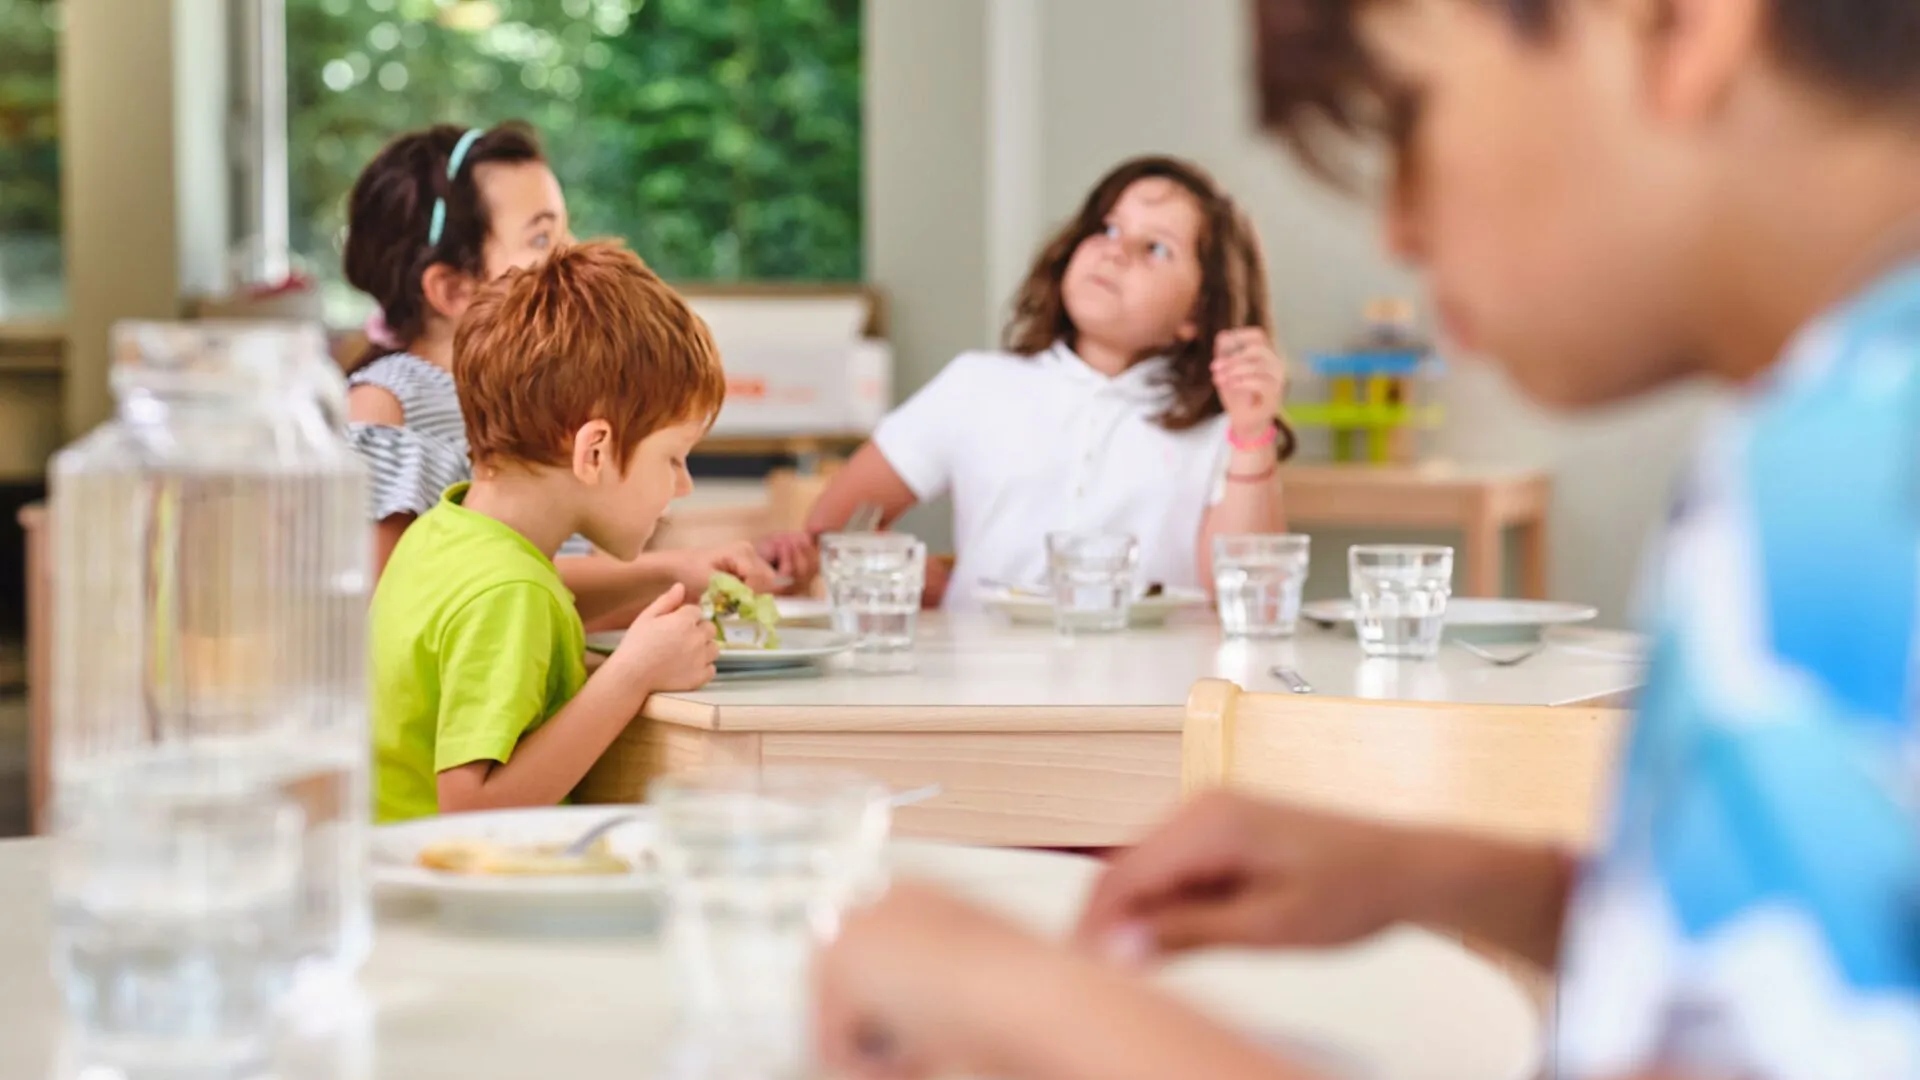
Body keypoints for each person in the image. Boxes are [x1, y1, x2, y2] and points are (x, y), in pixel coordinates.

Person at [814, 0, 1920, 1078]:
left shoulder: (1852, 475)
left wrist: (1033, 1003)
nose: (1397, 227)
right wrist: (1447, 878)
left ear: (1673, 21)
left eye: (1407, 118)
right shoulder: (1850, 411)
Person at [340, 122, 812, 628]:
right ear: (452, 289)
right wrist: (672, 572)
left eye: (567, 229)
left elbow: (578, 597)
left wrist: (721, 569)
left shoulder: (555, 391)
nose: (573, 254)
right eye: (542, 237)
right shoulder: (383, 404)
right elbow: (402, 604)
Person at [801, 155, 1293, 608]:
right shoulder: (977, 387)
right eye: (1107, 228)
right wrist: (919, 580)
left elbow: (1254, 601)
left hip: (1154, 695)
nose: (1115, 253)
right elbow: (833, 526)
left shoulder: (1222, 427)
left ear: (1198, 312)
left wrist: (1252, 432)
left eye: (1156, 248)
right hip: (983, 690)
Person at [370, 241, 723, 823]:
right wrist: (633, 674)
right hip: (451, 892)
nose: (682, 486)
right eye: (674, 458)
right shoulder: (511, 593)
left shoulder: (444, 533)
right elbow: (470, 811)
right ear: (595, 450)